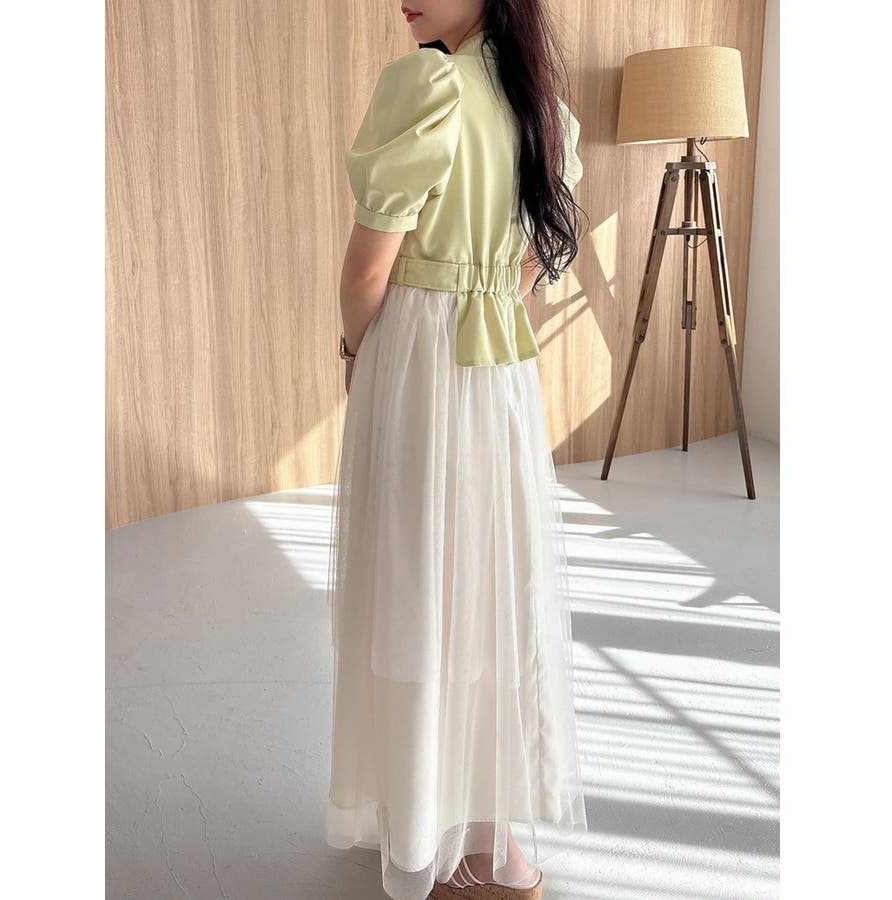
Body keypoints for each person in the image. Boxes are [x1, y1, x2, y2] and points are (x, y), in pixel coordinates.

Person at [326, 2, 588, 898]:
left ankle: (422, 829)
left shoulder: (428, 85)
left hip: (422, 365)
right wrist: (488, 286)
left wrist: (356, 355)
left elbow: (368, 271)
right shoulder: (537, 101)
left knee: (416, 587)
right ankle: (490, 841)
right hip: (500, 369)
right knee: (488, 588)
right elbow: (541, 255)